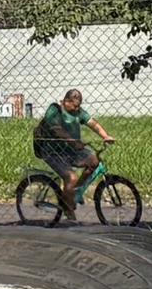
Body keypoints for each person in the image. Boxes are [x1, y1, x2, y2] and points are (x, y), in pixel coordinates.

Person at [30, 89, 111, 221]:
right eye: (74, 105)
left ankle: (73, 193)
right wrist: (73, 141)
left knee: (94, 161)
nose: (77, 108)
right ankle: (68, 208)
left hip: (71, 151)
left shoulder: (78, 112)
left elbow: (92, 123)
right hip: (53, 152)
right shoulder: (55, 110)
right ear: (66, 101)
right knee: (71, 178)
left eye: (79, 105)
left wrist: (105, 136)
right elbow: (56, 129)